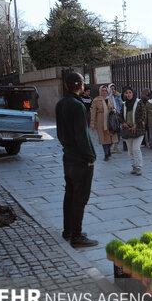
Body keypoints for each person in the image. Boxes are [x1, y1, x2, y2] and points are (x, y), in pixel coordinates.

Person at [55, 72, 98, 248]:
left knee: (70, 194)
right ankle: (77, 235)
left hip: (68, 156)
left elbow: (60, 133)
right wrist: (90, 157)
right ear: (81, 85)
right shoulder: (77, 106)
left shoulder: (60, 104)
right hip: (80, 159)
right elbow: (83, 136)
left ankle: (68, 230)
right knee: (80, 198)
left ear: (66, 86)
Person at [119, 86, 146, 175]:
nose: (128, 94)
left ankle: (139, 166)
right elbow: (121, 116)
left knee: (136, 148)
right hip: (127, 129)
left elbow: (143, 114)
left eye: (130, 92)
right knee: (130, 150)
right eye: (126, 93)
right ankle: (133, 165)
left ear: (133, 93)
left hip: (137, 129)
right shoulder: (124, 104)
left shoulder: (139, 102)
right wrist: (123, 123)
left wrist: (136, 124)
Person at [90, 85, 117, 162]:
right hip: (101, 121)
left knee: (112, 138)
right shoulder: (96, 100)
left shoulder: (110, 99)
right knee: (103, 138)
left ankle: (108, 149)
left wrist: (114, 110)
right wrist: (92, 122)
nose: (104, 92)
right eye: (103, 90)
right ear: (100, 91)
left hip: (110, 121)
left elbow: (113, 107)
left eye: (105, 90)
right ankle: (106, 154)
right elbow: (93, 112)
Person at [108, 83, 123, 153]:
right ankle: (111, 146)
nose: (113, 90)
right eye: (112, 89)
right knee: (113, 130)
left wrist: (119, 97)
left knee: (119, 130)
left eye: (114, 89)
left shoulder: (117, 95)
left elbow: (121, 104)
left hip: (118, 114)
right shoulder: (108, 96)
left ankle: (117, 145)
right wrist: (110, 94)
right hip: (112, 115)